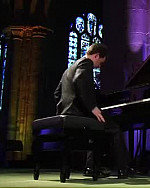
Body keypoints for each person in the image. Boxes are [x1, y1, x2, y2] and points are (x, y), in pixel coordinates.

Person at [54, 43, 131, 179]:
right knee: (115, 128)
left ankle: (91, 167)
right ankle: (123, 169)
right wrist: (92, 107)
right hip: (77, 113)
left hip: (68, 113)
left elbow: (57, 93)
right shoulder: (86, 63)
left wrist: (64, 111)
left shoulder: (70, 68)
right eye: (100, 63)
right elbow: (80, 81)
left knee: (97, 129)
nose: (99, 66)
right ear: (96, 56)